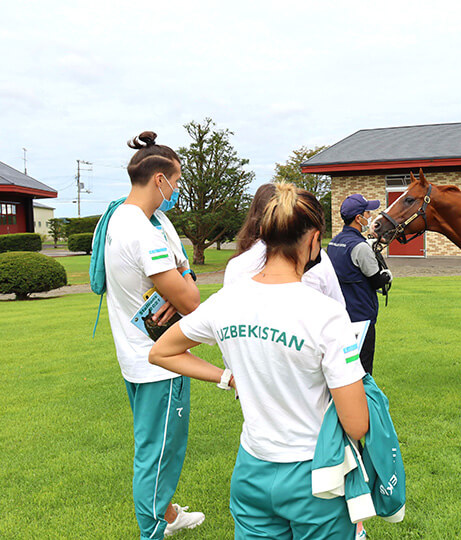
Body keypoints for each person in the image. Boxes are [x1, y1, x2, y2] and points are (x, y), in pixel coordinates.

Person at [149, 183, 369, 539]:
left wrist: (227, 377)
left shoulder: (226, 301)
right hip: (317, 473)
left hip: (252, 471)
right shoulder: (326, 315)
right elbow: (357, 424)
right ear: (314, 239)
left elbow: (161, 351)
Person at [102, 131, 205, 538]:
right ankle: (152, 531)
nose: (177, 190)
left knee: (154, 446)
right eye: (176, 182)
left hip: (135, 355)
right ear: (159, 179)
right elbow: (192, 300)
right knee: (158, 453)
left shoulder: (125, 217)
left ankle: (167, 513)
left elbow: (183, 277)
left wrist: (183, 276)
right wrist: (183, 278)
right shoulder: (144, 232)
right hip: (159, 362)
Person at [224, 183, 344, 306]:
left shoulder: (236, 266)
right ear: (315, 239)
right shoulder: (321, 264)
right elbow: (338, 304)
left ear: (263, 229)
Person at [327, 194, 392, 375]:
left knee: (343, 368)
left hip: (341, 316)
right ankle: (363, 403)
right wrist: (386, 276)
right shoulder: (360, 247)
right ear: (358, 218)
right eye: (367, 213)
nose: (369, 216)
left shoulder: (334, 242)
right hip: (362, 317)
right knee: (362, 370)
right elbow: (376, 280)